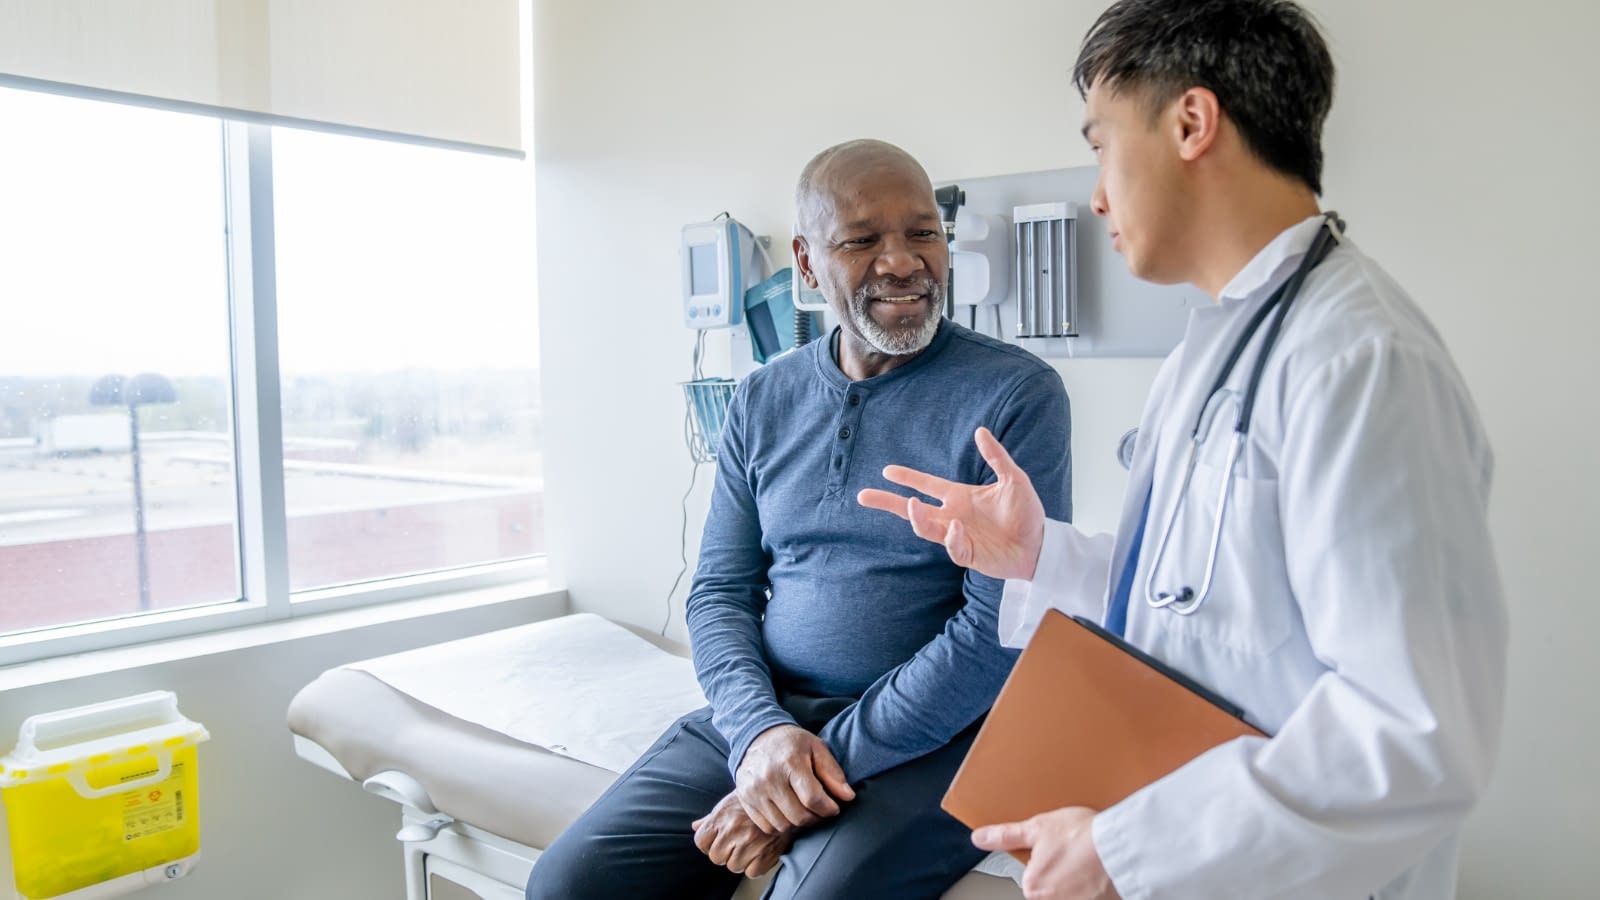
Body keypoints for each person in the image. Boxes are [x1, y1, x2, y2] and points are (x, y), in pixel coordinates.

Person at [858, 2, 1509, 899]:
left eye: (1101, 145)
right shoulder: (1213, 350)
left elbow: (1414, 731)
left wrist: (1129, 849)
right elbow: (1201, 606)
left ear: (1192, 123)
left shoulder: (1361, 361)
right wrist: (1042, 554)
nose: (1096, 195)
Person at [525, 138, 1073, 900]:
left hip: (946, 734)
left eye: (923, 232)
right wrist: (760, 733)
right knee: (570, 885)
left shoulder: (1015, 395)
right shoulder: (763, 398)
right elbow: (719, 593)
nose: (903, 261)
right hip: (776, 713)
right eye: (862, 240)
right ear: (807, 264)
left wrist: (811, 767)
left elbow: (996, 634)